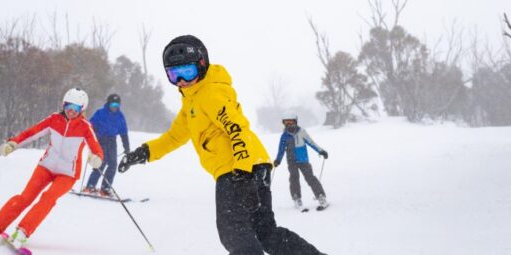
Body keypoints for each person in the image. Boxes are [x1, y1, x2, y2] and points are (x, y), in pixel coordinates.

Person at [118, 35, 326, 255]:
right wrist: (142, 153)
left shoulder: (210, 93)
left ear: (202, 65)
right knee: (266, 232)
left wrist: (242, 174)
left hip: (236, 169)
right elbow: (173, 137)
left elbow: (236, 128)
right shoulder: (191, 102)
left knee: (234, 232)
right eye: (173, 74)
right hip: (257, 164)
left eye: (187, 72)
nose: (181, 80)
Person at [0, 88, 104, 252]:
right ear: (63, 104)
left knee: (48, 199)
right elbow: (31, 133)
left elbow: (95, 146)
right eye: (68, 106)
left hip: (68, 174)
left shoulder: (85, 127)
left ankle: (22, 232)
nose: (71, 111)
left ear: (82, 110)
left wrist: (96, 157)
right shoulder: (54, 120)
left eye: (76, 108)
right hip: (46, 167)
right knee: (25, 197)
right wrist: (13, 143)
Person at [273, 114, 330, 209]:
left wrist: (321, 151)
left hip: (303, 160)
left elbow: (311, 143)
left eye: (290, 121)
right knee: (294, 179)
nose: (288, 124)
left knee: (310, 178)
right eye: (286, 122)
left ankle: (321, 196)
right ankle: (296, 198)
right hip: (292, 162)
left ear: (295, 122)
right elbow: (281, 150)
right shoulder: (284, 136)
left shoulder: (301, 132)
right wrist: (278, 160)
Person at [83, 93, 130, 197]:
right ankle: (90, 186)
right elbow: (90, 126)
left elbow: (124, 133)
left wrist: (127, 147)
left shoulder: (120, 116)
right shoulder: (100, 113)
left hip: (112, 141)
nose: (114, 107)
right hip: (100, 140)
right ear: (108, 103)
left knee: (113, 164)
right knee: (101, 163)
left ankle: (105, 188)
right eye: (112, 105)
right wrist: (91, 138)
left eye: (117, 105)